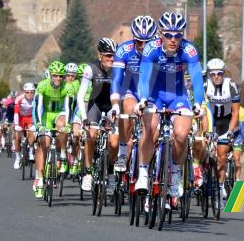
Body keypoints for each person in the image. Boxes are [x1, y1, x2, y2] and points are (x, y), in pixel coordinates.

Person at [136, 11, 205, 209]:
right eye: (168, 35)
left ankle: (175, 173)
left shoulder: (189, 50)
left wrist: (198, 103)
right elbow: (144, 77)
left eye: (178, 35)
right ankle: (142, 173)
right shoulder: (151, 48)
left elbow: (197, 80)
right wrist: (142, 99)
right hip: (154, 95)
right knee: (151, 129)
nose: (173, 40)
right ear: (160, 34)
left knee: (182, 135)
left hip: (178, 96)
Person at [110, 15, 157, 174]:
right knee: (128, 108)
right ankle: (123, 151)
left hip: (151, 93)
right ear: (133, 39)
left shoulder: (160, 51)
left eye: (147, 42)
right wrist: (115, 105)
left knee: (152, 131)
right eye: (139, 42)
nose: (143, 46)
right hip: (130, 89)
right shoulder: (124, 50)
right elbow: (116, 79)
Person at [78, 37, 117, 192]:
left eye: (114, 55)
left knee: (114, 142)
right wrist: (84, 118)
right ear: (100, 55)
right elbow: (81, 96)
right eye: (108, 55)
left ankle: (111, 172)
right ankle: (88, 173)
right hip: (96, 105)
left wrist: (117, 111)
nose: (111, 59)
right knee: (91, 135)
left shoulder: (119, 68)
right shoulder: (90, 69)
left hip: (113, 105)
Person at [32, 61, 71, 199]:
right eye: (55, 76)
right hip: (46, 115)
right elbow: (38, 106)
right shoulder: (43, 85)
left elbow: (68, 107)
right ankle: (40, 179)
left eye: (61, 76)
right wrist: (38, 124)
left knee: (63, 124)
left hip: (59, 114)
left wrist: (68, 124)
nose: (58, 79)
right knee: (45, 144)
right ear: (50, 75)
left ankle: (62, 154)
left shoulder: (67, 87)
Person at [204, 58, 240, 200]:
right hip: (211, 121)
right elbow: (201, 109)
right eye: (213, 74)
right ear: (209, 75)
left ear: (223, 73)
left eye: (219, 73)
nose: (216, 76)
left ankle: (220, 185)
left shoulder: (231, 85)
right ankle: (201, 176)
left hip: (226, 121)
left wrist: (231, 131)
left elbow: (236, 112)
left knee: (221, 155)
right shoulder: (205, 85)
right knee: (202, 150)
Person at [13, 83, 36, 169]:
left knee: (32, 132)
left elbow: (37, 112)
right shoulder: (19, 99)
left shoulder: (36, 99)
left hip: (30, 118)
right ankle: (17, 158)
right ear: (24, 92)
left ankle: (30, 150)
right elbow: (16, 113)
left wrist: (34, 123)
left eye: (32, 92)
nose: (30, 94)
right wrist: (16, 125)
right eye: (27, 92)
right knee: (17, 137)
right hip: (20, 118)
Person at [232, 104, 244, 181]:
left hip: (237, 136)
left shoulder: (240, 110)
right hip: (224, 134)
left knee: (236, 158)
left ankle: (237, 180)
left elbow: (242, 127)